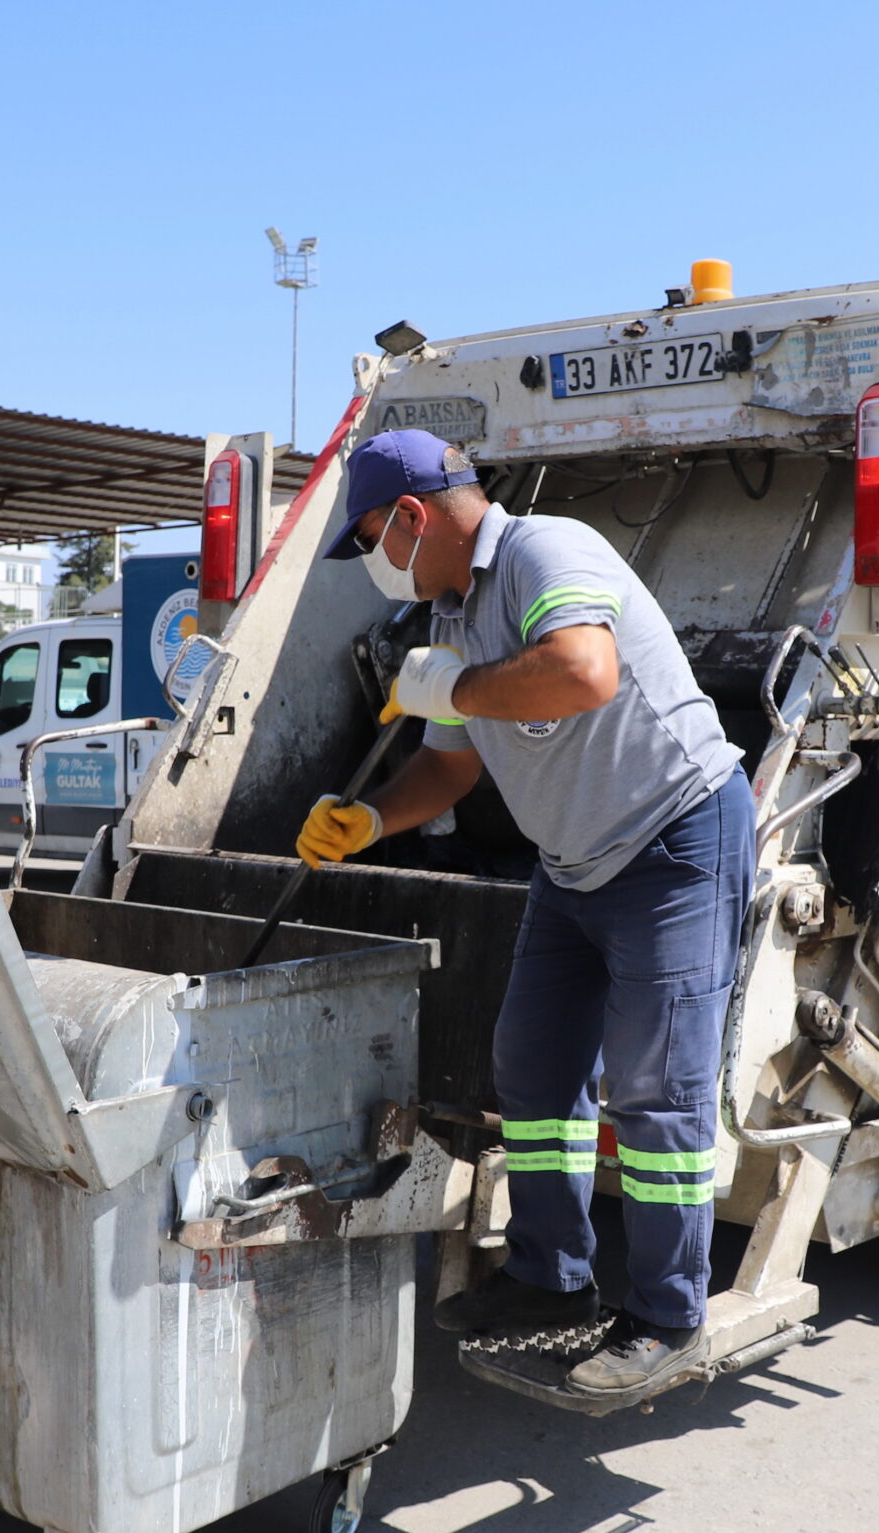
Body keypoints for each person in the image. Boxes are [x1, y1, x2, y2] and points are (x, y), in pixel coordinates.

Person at [298, 429, 750, 1397]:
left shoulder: (545, 552)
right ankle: (553, 1277)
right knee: (533, 1064)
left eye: (374, 536)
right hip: (575, 865)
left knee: (654, 1087)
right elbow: (452, 763)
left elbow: (585, 669)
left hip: (675, 840)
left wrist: (451, 683)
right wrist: (370, 819)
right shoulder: (454, 615)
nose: (374, 561)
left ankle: (670, 1317)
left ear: (415, 517)